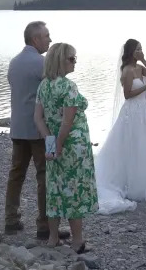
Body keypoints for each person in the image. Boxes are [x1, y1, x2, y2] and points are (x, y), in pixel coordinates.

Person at [94, 39, 146, 214]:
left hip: (144, 111)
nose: (140, 51)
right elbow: (128, 95)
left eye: (142, 49)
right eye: (138, 49)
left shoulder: (140, 68)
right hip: (132, 110)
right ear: (131, 51)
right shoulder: (127, 70)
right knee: (133, 142)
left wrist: (144, 60)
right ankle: (130, 182)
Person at [5, 21, 71, 241]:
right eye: (46, 36)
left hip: (17, 129)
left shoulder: (14, 63)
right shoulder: (42, 64)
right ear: (35, 39)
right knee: (47, 177)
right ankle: (45, 226)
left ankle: (11, 221)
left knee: (16, 175)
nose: (50, 40)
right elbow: (55, 93)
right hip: (44, 132)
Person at [33, 43, 98, 253]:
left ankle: (53, 238)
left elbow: (38, 119)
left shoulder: (43, 85)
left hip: (55, 144)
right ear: (59, 61)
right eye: (71, 58)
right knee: (74, 190)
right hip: (73, 146)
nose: (75, 62)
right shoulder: (69, 87)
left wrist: (51, 145)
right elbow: (67, 122)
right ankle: (77, 241)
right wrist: (59, 145)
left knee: (54, 188)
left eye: (75, 58)